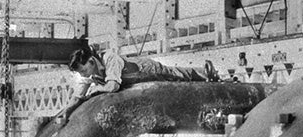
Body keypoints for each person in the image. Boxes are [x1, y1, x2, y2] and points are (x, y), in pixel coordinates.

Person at [60, 46, 220, 122]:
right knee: (173, 78)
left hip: (145, 70)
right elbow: (77, 96)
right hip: (133, 81)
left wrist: (94, 92)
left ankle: (205, 72)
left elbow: (112, 86)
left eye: (83, 71)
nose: (83, 75)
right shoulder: (88, 72)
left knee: (174, 75)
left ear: (91, 61)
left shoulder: (110, 58)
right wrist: (67, 110)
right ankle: (204, 73)